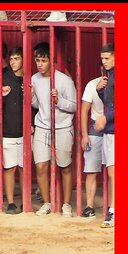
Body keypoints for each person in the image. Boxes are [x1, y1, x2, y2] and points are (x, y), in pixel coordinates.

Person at [31, 42, 77, 217]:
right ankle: (47, 202)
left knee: (64, 166)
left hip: (63, 127)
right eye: (37, 60)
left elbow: (73, 106)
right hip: (42, 126)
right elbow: (37, 104)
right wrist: (31, 96)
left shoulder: (64, 80)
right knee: (41, 166)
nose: (40, 64)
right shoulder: (34, 79)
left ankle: (66, 204)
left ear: (52, 61)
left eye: (43, 60)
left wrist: (59, 101)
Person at [0, 47, 26, 214]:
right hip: (8, 130)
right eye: (11, 59)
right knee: (9, 168)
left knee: (23, 168)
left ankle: (25, 201)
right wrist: (0, 94)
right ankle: (10, 202)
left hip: (25, 131)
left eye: (17, 58)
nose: (13, 62)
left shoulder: (29, 79)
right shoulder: (4, 77)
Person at [94, 43, 114, 228]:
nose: (104, 61)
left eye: (107, 58)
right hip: (110, 130)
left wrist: (105, 117)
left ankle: (115, 210)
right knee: (111, 171)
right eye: (102, 58)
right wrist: (100, 90)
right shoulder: (110, 77)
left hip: (115, 129)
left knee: (113, 171)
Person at [80, 73, 104, 219]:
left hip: (114, 127)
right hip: (95, 128)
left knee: (113, 171)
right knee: (91, 170)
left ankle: (112, 206)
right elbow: (84, 110)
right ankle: (89, 206)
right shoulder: (91, 84)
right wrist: (84, 135)